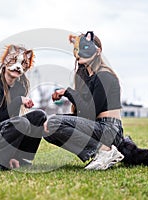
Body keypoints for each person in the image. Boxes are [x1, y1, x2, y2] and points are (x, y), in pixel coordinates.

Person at [43, 31, 124, 170]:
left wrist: (67, 92)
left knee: (53, 122)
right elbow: (84, 113)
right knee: (46, 127)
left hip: (109, 129)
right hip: (96, 126)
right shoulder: (85, 76)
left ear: (97, 51)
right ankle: (101, 153)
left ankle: (105, 151)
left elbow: (89, 113)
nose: (79, 53)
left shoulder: (104, 76)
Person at [0, 44, 47, 171]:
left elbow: (11, 122)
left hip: (1, 134)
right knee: (21, 122)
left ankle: (22, 159)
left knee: (39, 116)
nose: (17, 67)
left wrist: (12, 155)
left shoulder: (20, 87)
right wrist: (19, 101)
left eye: (22, 63)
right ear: (5, 62)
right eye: (13, 61)